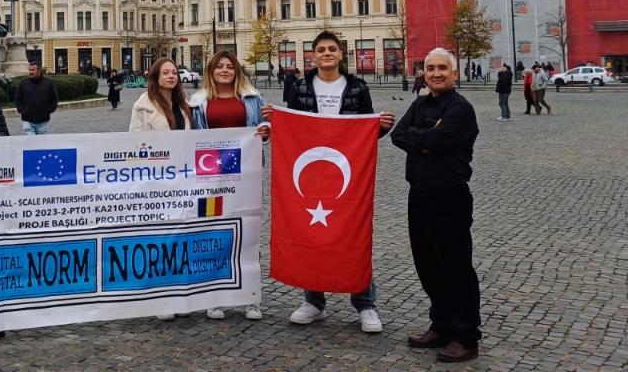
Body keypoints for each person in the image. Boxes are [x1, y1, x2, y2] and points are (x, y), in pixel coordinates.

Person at [261, 31, 395, 334]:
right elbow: (291, 124)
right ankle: (314, 302)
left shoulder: (357, 87)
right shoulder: (300, 86)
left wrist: (381, 126)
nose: (326, 54)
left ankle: (365, 303)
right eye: (321, 50)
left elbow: (365, 132)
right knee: (312, 234)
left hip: (346, 170)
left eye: (332, 49)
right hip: (310, 170)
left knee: (353, 232)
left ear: (340, 54)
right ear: (313, 55)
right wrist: (274, 120)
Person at [390, 48, 482, 363]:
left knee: (455, 267)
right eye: (430, 69)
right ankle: (441, 324)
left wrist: (426, 140)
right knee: (427, 265)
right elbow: (398, 136)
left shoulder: (461, 109)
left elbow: (440, 142)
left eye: (442, 68)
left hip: (450, 196)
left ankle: (466, 335)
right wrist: (426, 139)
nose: (436, 74)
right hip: (419, 194)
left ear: (454, 73)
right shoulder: (421, 102)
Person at [188, 50, 271, 321]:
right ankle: (216, 296)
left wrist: (265, 129)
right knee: (215, 232)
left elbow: (264, 125)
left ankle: (250, 297)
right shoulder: (199, 102)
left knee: (248, 232)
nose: (225, 70)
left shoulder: (252, 97)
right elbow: (190, 137)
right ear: (211, 72)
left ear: (236, 71)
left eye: (230, 67)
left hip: (245, 174)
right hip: (211, 177)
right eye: (219, 67)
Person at [128, 58, 192, 133]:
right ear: (155, 77)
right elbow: (135, 140)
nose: (171, 76)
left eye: (174, 73)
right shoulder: (142, 106)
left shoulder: (184, 104)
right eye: (165, 73)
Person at [14, 61, 59, 135]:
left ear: (39, 71)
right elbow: (17, 98)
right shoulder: (23, 83)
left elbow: (54, 99)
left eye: (33, 70)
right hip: (27, 120)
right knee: (31, 143)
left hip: (43, 121)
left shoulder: (48, 83)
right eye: (30, 70)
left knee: (41, 144)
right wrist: (22, 110)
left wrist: (49, 110)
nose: (30, 72)